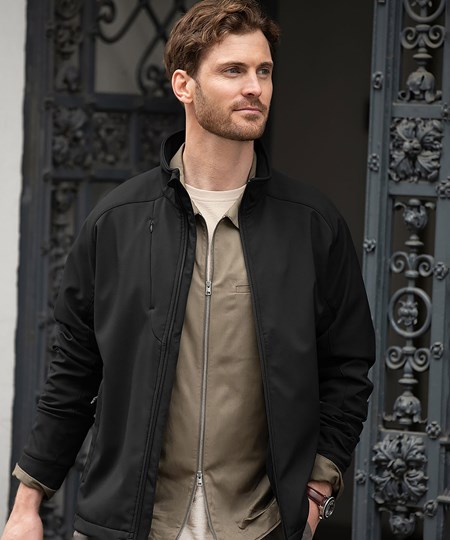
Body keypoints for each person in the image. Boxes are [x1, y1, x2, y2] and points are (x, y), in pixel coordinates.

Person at [2, 1, 375, 539]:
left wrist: (317, 489)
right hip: (130, 524)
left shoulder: (312, 225)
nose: (255, 87)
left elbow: (348, 366)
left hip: (259, 525)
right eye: (233, 70)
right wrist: (27, 504)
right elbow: (74, 373)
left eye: (264, 71)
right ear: (184, 85)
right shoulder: (117, 221)